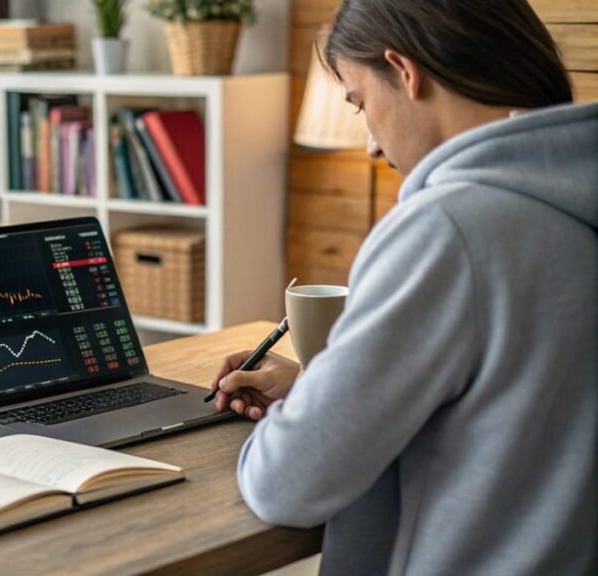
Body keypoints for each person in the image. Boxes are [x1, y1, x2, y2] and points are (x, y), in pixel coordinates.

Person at [211, 0, 597, 573]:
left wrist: (314, 415)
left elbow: (287, 481)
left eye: (361, 103)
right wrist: (323, 383)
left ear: (406, 71)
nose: (370, 144)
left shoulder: (446, 229)